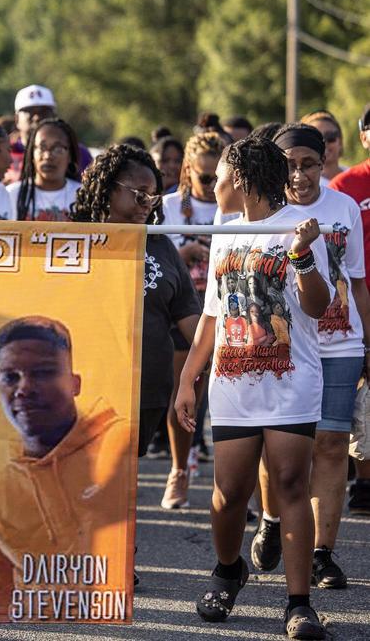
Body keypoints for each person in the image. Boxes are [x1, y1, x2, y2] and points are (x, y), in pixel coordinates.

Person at [175, 135, 331, 640]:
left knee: (289, 484)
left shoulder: (298, 228)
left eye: (222, 176)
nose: (217, 186)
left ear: (241, 180)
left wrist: (303, 255)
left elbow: (316, 306)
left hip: (291, 381)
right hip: (234, 383)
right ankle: (228, 569)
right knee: (229, 494)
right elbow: (211, 317)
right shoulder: (226, 233)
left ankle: (299, 602)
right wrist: (186, 379)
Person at [248, 124, 369, 591]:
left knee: (332, 445)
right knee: (276, 445)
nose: (299, 175)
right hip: (282, 344)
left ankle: (322, 553)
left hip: (339, 342)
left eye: (309, 164)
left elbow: (356, 281)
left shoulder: (343, 208)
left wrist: (367, 344)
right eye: (290, 165)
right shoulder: (262, 212)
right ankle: (273, 518)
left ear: (323, 164)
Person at [0, 316, 132, 621]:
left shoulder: (120, 444)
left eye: (43, 373)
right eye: (10, 377)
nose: (24, 388)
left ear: (74, 382)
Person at [72, 145, 201, 458]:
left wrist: (226, 354)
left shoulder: (162, 246)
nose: (148, 203)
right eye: (139, 193)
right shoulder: (74, 243)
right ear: (108, 190)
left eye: (154, 195)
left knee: (123, 483)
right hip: (86, 389)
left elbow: (191, 322)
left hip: (148, 390)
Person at [158, 131, 225, 505]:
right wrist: (180, 253)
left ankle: (232, 488)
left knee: (227, 400)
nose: (213, 185)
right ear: (187, 170)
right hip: (184, 308)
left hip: (227, 308)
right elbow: (153, 253)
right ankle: (179, 470)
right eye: (204, 178)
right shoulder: (169, 207)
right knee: (184, 395)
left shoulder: (234, 206)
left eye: (219, 177)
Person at [327, 103, 370, 516]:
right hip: (359, 305)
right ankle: (364, 480)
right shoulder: (345, 186)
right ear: (362, 136)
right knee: (361, 403)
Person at [5, 85, 92, 185]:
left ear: (54, 116)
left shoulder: (77, 152)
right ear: (17, 119)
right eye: (30, 112)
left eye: (44, 112)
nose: (37, 117)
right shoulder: (4, 152)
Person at [6, 118, 82, 221]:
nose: (47, 156)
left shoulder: (82, 196)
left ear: (70, 155)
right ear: (31, 153)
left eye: (57, 149)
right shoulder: (12, 195)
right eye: (42, 147)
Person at [300, 111, 346, 185]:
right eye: (316, 139)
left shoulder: (358, 177)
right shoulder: (301, 185)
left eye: (330, 137)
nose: (324, 143)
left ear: (340, 141)